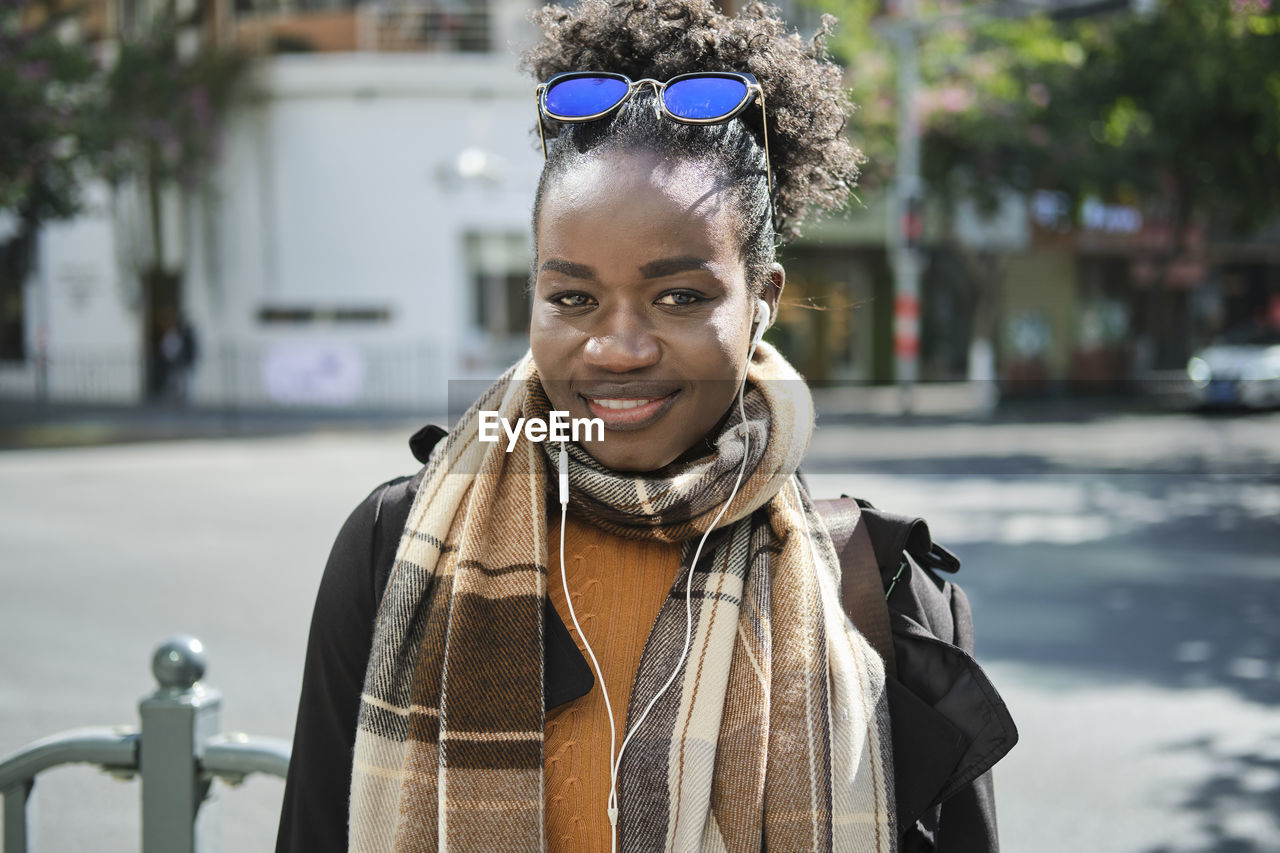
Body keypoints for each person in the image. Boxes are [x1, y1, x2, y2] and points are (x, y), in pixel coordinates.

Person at [276, 2, 1015, 851]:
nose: (617, 347)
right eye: (572, 298)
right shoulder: (394, 546)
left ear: (762, 300)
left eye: (681, 297)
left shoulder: (880, 592)